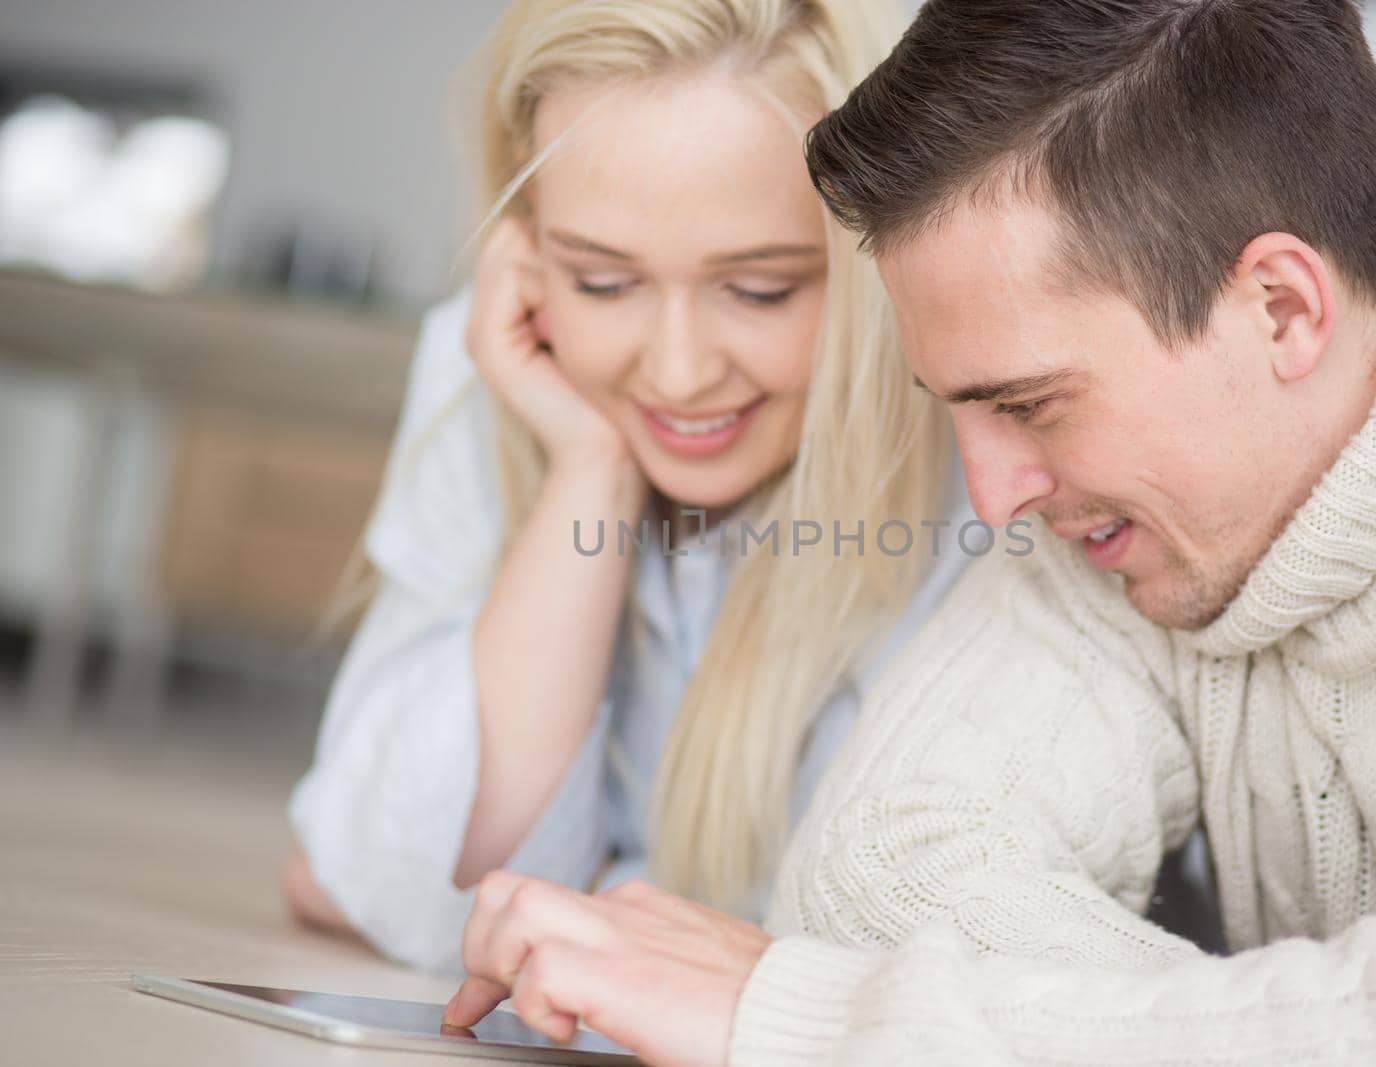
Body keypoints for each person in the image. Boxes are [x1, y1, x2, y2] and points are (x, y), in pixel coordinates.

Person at [439, 0, 1376, 1064]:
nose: (993, 496)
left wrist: (806, 1019)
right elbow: (880, 878)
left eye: (1030, 401)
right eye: (961, 410)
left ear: (1282, 307)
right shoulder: (1140, 527)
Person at [281, 0, 975, 976]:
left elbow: (929, 930)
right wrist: (586, 470)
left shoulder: (980, 431)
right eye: (603, 282)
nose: (681, 372)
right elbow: (407, 893)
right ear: (525, 253)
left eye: (761, 288)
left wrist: (592, 892)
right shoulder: (494, 362)